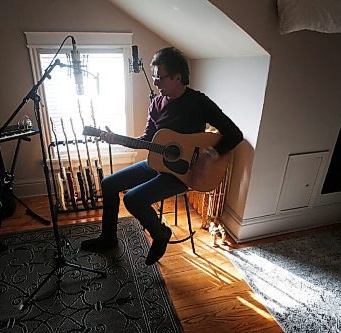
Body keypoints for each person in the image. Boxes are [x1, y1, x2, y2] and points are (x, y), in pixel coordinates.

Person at [80, 47, 243, 265]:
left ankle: (160, 233)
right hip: (157, 163)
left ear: (178, 77)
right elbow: (148, 139)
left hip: (184, 173)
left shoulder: (199, 102)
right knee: (109, 184)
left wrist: (209, 155)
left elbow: (235, 134)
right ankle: (108, 238)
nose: (155, 83)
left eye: (160, 78)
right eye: (155, 78)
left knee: (132, 198)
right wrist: (117, 139)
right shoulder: (156, 104)